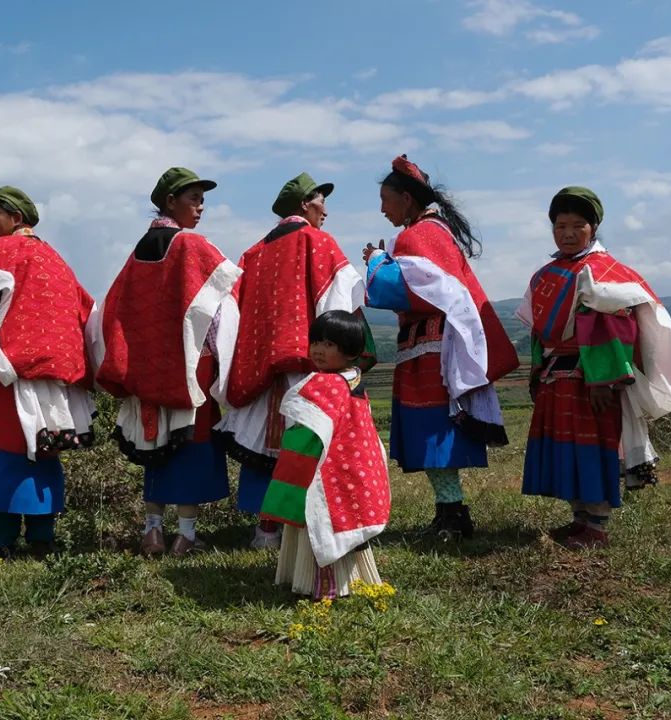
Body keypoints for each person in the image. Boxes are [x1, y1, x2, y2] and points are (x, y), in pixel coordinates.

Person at [517, 187, 671, 549]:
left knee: (591, 447)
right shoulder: (546, 274)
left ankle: (597, 527)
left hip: (590, 381)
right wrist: (537, 373)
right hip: (556, 375)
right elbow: (537, 331)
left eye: (578, 225)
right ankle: (580, 520)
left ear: (593, 228)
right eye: (561, 225)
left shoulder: (605, 273)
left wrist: (602, 380)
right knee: (567, 449)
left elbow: (616, 327)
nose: (568, 232)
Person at [362, 155, 518, 540]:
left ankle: (453, 515)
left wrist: (376, 262)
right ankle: (450, 510)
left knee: (434, 430)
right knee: (436, 430)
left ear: (407, 199)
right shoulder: (435, 231)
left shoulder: (417, 236)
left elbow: (397, 289)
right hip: (434, 344)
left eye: (386, 199)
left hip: (431, 350)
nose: (382, 208)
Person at [217, 172, 374, 549]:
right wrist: (346, 353)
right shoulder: (318, 243)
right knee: (305, 443)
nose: (326, 211)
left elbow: (230, 312)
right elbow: (340, 303)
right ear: (305, 204)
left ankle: (263, 530)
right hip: (308, 366)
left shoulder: (251, 254)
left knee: (262, 446)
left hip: (259, 367)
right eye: (322, 202)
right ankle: (304, 529)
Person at [89, 167, 241, 556]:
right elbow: (220, 308)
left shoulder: (138, 251)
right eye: (194, 198)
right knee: (191, 448)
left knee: (155, 447)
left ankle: (152, 531)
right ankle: (185, 536)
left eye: (202, 199)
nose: (201, 207)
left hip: (145, 369)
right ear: (170, 201)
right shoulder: (191, 246)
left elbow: (111, 310)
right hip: (190, 368)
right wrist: (224, 358)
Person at [0, 186, 97, 559]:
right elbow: (85, 312)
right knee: (41, 454)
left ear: (17, 218)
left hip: (6, 376)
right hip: (53, 380)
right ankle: (42, 539)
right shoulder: (56, 260)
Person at [260, 310, 390, 599]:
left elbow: (305, 425)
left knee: (321, 521)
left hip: (325, 468)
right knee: (345, 520)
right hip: (353, 465)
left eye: (329, 344)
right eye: (315, 341)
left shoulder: (325, 383)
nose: (318, 349)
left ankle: (317, 583)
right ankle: (354, 579)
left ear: (351, 350)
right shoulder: (353, 379)